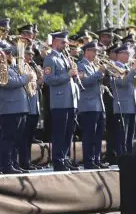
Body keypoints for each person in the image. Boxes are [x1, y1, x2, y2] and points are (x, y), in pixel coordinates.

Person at [43, 31, 81, 171]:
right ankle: (58, 160)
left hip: (71, 100)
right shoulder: (50, 59)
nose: (66, 45)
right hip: (59, 101)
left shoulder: (65, 57)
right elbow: (48, 80)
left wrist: (74, 75)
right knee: (60, 132)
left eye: (66, 42)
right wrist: (67, 75)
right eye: (63, 42)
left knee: (69, 132)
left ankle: (64, 158)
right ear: (55, 42)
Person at [0, 43, 31, 174]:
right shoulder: (2, 67)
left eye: (10, 53)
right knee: (8, 138)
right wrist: (25, 78)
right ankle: (6, 165)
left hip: (19, 107)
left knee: (17, 138)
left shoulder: (12, 67)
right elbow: (8, 82)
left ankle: (13, 163)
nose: (10, 55)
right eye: (7, 53)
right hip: (9, 108)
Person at [77, 42, 107, 169]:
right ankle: (89, 161)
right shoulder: (81, 65)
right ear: (87, 51)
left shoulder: (93, 66)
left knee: (98, 134)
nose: (96, 54)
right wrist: (99, 73)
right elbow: (84, 82)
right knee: (89, 134)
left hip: (98, 104)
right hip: (88, 105)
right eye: (94, 51)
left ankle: (97, 159)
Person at [108, 45, 136, 157]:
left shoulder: (128, 67)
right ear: (118, 54)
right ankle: (121, 157)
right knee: (122, 136)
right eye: (125, 53)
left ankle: (129, 157)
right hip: (122, 105)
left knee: (130, 135)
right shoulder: (113, 67)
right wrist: (133, 70)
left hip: (132, 105)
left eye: (128, 53)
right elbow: (122, 83)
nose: (128, 55)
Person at [18, 44, 42, 171]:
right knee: (23, 137)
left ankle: (27, 161)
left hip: (34, 106)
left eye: (32, 55)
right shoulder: (20, 67)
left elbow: (35, 86)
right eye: (28, 54)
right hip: (25, 106)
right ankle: (23, 162)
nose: (31, 57)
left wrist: (40, 79)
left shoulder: (31, 66)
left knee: (29, 137)